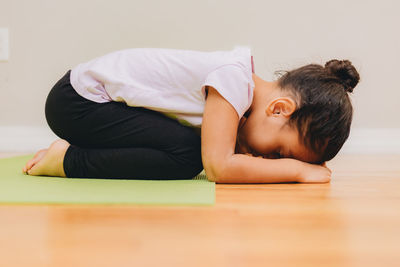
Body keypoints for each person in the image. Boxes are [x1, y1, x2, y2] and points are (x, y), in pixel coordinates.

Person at [22, 46, 360, 183]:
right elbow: (218, 167)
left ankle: (72, 153)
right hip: (78, 102)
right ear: (279, 109)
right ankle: (67, 161)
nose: (265, 158)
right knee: (190, 154)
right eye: (278, 152)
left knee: (189, 145)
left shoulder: (243, 92)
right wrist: (297, 171)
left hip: (89, 102)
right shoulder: (233, 80)